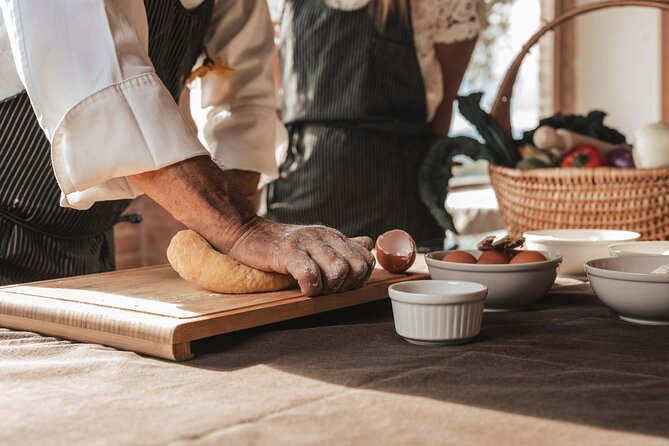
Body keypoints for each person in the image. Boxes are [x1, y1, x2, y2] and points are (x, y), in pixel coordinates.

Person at [0, 0, 374, 296]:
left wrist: (236, 245)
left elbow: (242, 99)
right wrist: (238, 227)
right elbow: (94, 76)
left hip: (88, 240)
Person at [265, 0, 484, 250]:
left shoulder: (443, 6)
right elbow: (276, 97)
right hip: (296, 203)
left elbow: (441, 117)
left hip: (398, 210)